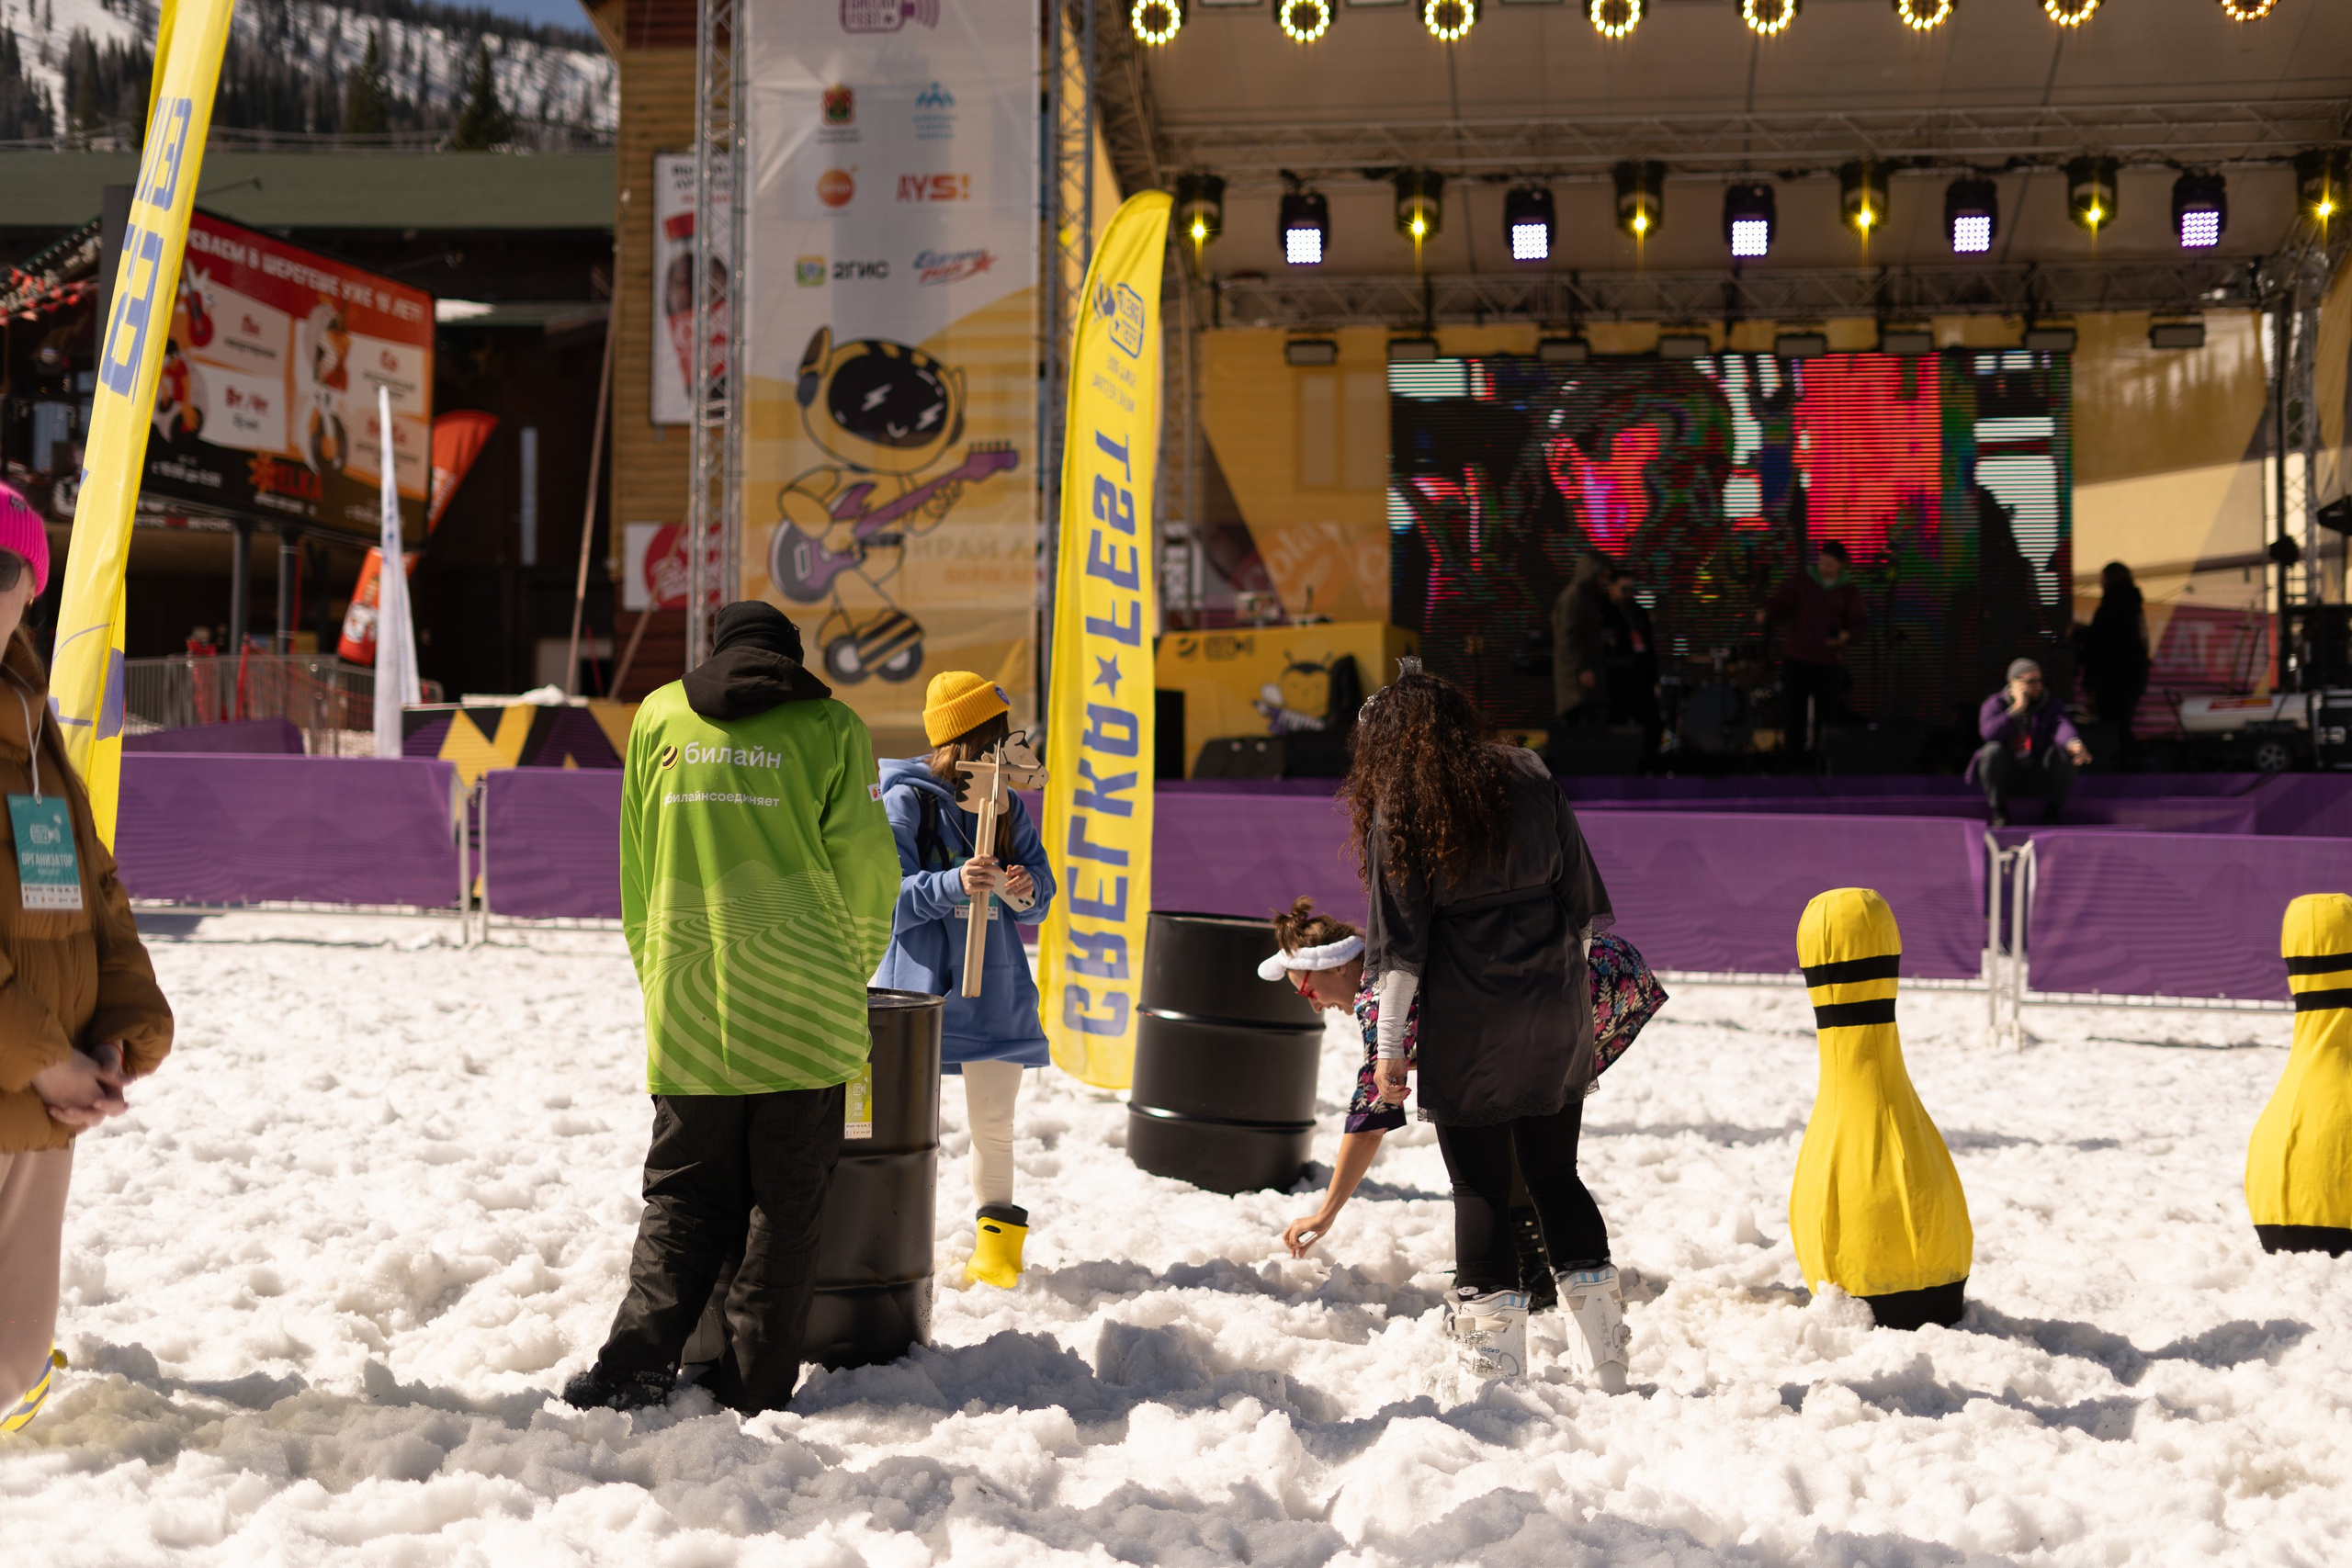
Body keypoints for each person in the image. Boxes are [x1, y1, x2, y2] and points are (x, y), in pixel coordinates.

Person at [564, 601, 898, 1416]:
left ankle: (634, 1366)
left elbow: (636, 869)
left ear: (715, 650)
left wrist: (660, 974)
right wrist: (845, 970)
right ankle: (751, 1383)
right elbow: (866, 870)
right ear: (790, 656)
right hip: (806, 1009)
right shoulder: (833, 726)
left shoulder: (658, 715)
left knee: (681, 1194)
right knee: (786, 1209)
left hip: (688, 1004)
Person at [1345, 660, 1629, 1389]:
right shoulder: (1530, 770)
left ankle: (1495, 1370)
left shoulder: (1402, 805)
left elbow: (1400, 951)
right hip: (1554, 1002)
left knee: (1478, 1187)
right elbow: (1581, 902)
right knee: (1556, 1174)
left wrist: (1387, 1051)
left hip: (1470, 1019)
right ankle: (1608, 1360)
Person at [0, 481, 175, 1432]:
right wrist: (46, 1058)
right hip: (30, 1073)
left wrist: (117, 1039)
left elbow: (90, 890)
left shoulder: (35, 731)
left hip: (44, 1098)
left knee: (16, 1357)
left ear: (32, 587)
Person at [1272, 897, 1668, 1301]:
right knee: (1513, 1121)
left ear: (1338, 965)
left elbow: (1370, 1119)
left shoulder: (1380, 995)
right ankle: (1529, 1262)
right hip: (1595, 967)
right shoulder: (1385, 975)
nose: (1314, 1003)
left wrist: (1326, 1213)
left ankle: (1530, 1267)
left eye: (1308, 989)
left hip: (1592, 978)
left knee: (1510, 1132)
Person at [871, 673, 1056, 1290]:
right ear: (961, 738)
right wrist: (954, 883)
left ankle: (998, 1253)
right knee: (897, 1126)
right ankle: (886, 1240)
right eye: (990, 735)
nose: (1002, 747)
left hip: (995, 986)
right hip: (917, 993)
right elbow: (882, 901)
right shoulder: (905, 801)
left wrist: (1023, 891)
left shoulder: (1006, 803)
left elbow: (1041, 893)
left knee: (995, 1122)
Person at [1758, 539, 1867, 760]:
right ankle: (1793, 761)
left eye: (1830, 564)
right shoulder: (1802, 581)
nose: (1824, 568)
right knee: (1793, 713)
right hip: (1797, 657)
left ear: (1841, 565)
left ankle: (1822, 760)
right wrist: (1767, 612)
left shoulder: (1849, 591)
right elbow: (1781, 601)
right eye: (1822, 562)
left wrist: (1847, 636)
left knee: (1826, 716)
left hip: (1828, 661)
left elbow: (1859, 624)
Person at [1969, 658, 2091, 828]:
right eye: (2031, 681)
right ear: (2013, 682)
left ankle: (2052, 812)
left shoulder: (2050, 704)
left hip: (2038, 775)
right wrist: (2017, 709)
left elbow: (2061, 725)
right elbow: (1988, 733)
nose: (2038, 685)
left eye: (2040, 680)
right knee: (1991, 751)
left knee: (2065, 753)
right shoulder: (1995, 704)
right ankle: (1999, 811)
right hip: (2007, 776)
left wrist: (2073, 743)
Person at [2076, 561, 2150, 741]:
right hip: (2131, 676)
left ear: (2110, 579)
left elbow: (2100, 639)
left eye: (2103, 579)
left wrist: (2079, 634)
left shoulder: (2113, 606)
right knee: (2122, 723)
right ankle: (2121, 759)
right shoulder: (2132, 605)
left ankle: (2116, 760)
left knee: (2111, 726)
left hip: (2113, 679)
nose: (2101, 584)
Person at [1550, 554, 1613, 732]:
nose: (1604, 582)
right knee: (1578, 732)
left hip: (1582, 678)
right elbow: (1568, 636)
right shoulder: (1574, 597)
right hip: (1576, 683)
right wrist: (1582, 668)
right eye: (1602, 576)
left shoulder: (1583, 597)